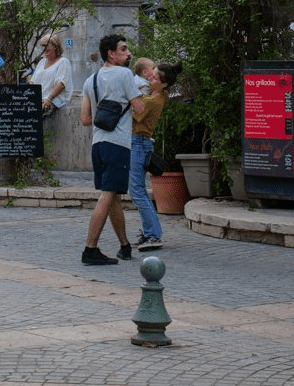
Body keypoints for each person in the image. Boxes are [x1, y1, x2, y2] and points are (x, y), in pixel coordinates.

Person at [79, 34, 145, 265]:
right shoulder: (125, 74)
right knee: (108, 195)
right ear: (111, 54)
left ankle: (124, 246)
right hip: (118, 144)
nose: (128, 54)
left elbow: (85, 119)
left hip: (98, 144)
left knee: (113, 195)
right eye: (124, 49)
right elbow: (139, 108)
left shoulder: (90, 80)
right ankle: (90, 249)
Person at [131, 61, 182, 253]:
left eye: (154, 77)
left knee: (137, 191)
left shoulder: (153, 100)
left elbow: (134, 111)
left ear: (164, 84)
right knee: (138, 190)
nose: (149, 78)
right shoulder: (154, 96)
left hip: (137, 143)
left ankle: (153, 234)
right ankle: (150, 232)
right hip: (139, 143)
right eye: (151, 75)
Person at [29, 34, 72, 116]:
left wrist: (49, 99)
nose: (44, 49)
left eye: (46, 46)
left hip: (52, 100)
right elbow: (33, 82)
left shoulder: (63, 62)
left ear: (55, 46)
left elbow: (61, 84)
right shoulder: (42, 62)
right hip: (38, 99)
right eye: (42, 46)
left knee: (35, 115)